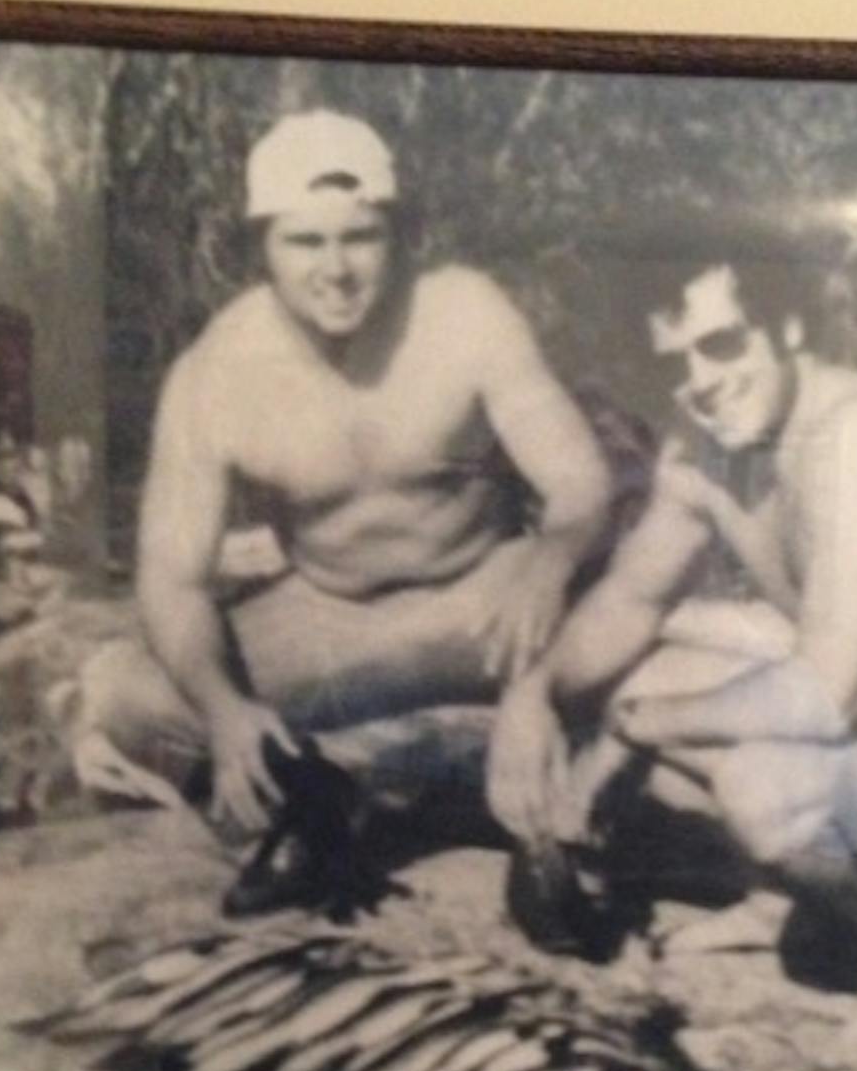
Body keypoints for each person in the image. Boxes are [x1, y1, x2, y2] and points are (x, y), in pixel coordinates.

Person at [67, 110, 614, 907]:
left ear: (396, 235)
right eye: (305, 242)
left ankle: (443, 786)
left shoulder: (465, 314)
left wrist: (550, 564)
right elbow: (171, 580)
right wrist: (224, 711)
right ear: (261, 247)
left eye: (360, 237)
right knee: (125, 694)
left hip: (481, 603)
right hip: (328, 619)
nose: (336, 270)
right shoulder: (214, 372)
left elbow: (581, 484)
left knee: (637, 669)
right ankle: (344, 790)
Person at [489, 230, 857, 1065]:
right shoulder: (707, 445)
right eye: (677, 362)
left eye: (722, 344)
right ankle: (777, 902)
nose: (699, 380)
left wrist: (635, 729)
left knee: (752, 780)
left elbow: (834, 687)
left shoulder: (851, 435)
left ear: (790, 328)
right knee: (634, 670)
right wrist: (533, 694)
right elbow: (631, 598)